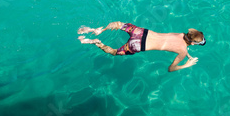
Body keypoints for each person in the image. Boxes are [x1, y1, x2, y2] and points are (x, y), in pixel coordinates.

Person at [78, 21, 206, 72]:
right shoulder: (182, 51)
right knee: (114, 52)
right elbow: (171, 69)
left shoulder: (181, 34)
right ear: (193, 43)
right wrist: (186, 64)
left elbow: (182, 43)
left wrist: (187, 52)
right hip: (139, 45)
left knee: (119, 24)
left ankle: (100, 30)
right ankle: (95, 42)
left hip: (141, 32)